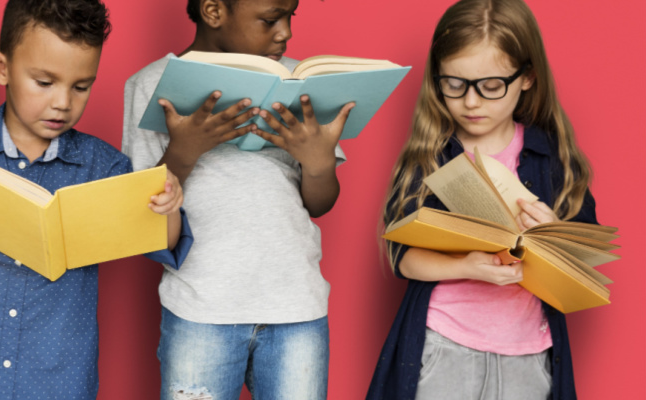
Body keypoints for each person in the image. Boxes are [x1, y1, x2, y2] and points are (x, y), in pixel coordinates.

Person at [0, 0, 192, 398]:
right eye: (44, 82)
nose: (62, 102)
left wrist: (169, 207)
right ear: (2, 68)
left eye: (81, 87)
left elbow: (164, 242)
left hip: (58, 378)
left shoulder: (103, 166)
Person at [122, 0, 355, 398]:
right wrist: (184, 150)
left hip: (296, 305)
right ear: (213, 11)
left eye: (290, 16)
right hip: (200, 308)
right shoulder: (150, 85)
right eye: (270, 19)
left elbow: (319, 203)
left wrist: (318, 165)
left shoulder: (297, 86)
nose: (286, 32)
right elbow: (143, 215)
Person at [367, 0, 598, 398]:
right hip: (443, 345)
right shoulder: (432, 154)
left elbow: (586, 265)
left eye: (491, 87)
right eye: (454, 85)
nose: (471, 103)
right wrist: (468, 266)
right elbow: (403, 257)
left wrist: (551, 236)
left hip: (528, 354)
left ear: (527, 77)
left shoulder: (551, 157)